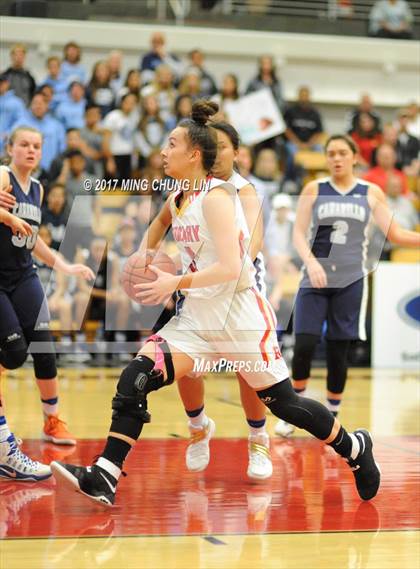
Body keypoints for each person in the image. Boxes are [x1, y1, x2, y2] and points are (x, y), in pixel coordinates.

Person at [51, 101, 381, 507]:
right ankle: (106, 473)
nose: (162, 151)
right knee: (136, 376)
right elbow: (158, 226)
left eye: (171, 143)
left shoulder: (219, 197)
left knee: (285, 405)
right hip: (196, 318)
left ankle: (354, 447)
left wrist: (175, 279)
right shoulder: (179, 197)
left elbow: (233, 268)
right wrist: (143, 256)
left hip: (240, 314)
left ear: (194, 154)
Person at [274, 135, 420, 438]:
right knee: (303, 346)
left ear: (355, 157)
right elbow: (299, 234)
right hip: (314, 279)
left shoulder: (370, 192)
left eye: (342, 153)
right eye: (330, 154)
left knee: (339, 352)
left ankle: (333, 415)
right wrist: (312, 263)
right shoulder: (314, 189)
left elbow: (395, 233)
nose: (336, 158)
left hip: (351, 280)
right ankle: (292, 412)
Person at [175, 120, 272, 480]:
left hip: (239, 288)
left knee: (250, 372)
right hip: (199, 288)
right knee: (186, 366)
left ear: (237, 152)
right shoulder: (190, 188)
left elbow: (251, 245)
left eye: (223, 146)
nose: (215, 153)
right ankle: (198, 426)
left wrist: (219, 273)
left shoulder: (242, 190)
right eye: (210, 145)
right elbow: (168, 229)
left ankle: (258, 439)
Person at [0, 127, 94, 480]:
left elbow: (33, 237)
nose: (30, 150)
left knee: (45, 347)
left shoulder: (37, 188)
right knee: (12, 353)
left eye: (36, 146)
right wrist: (7, 217)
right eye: (23, 144)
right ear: (10, 148)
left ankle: (52, 421)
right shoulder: (3, 175)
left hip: (24, 275)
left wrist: (65, 264)